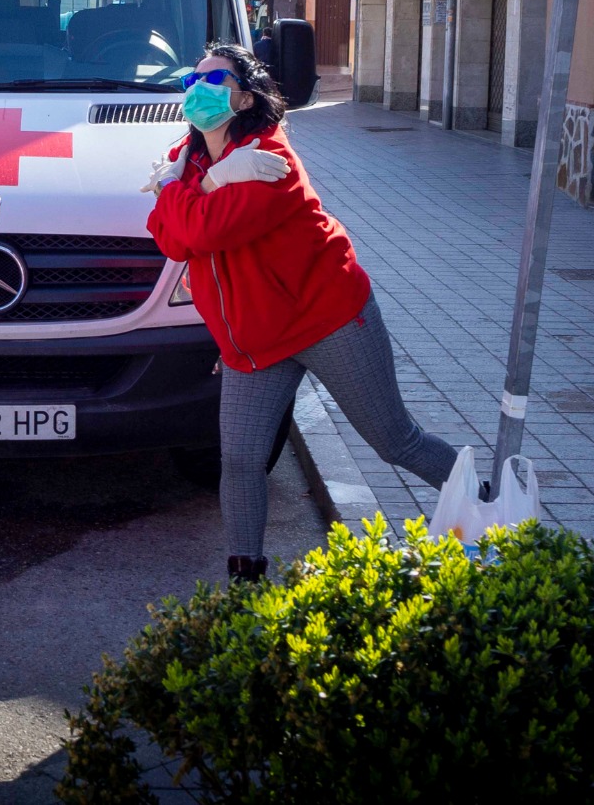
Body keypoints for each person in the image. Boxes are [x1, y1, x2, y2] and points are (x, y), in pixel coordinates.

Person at [142, 42, 458, 581]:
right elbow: (169, 241)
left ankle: (492, 505)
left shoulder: (269, 160)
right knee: (240, 462)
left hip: (328, 320)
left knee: (392, 439)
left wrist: (181, 192)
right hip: (256, 344)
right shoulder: (188, 159)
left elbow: (196, 230)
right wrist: (206, 182)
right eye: (189, 82)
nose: (197, 90)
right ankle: (245, 581)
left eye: (213, 81)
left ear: (244, 97)